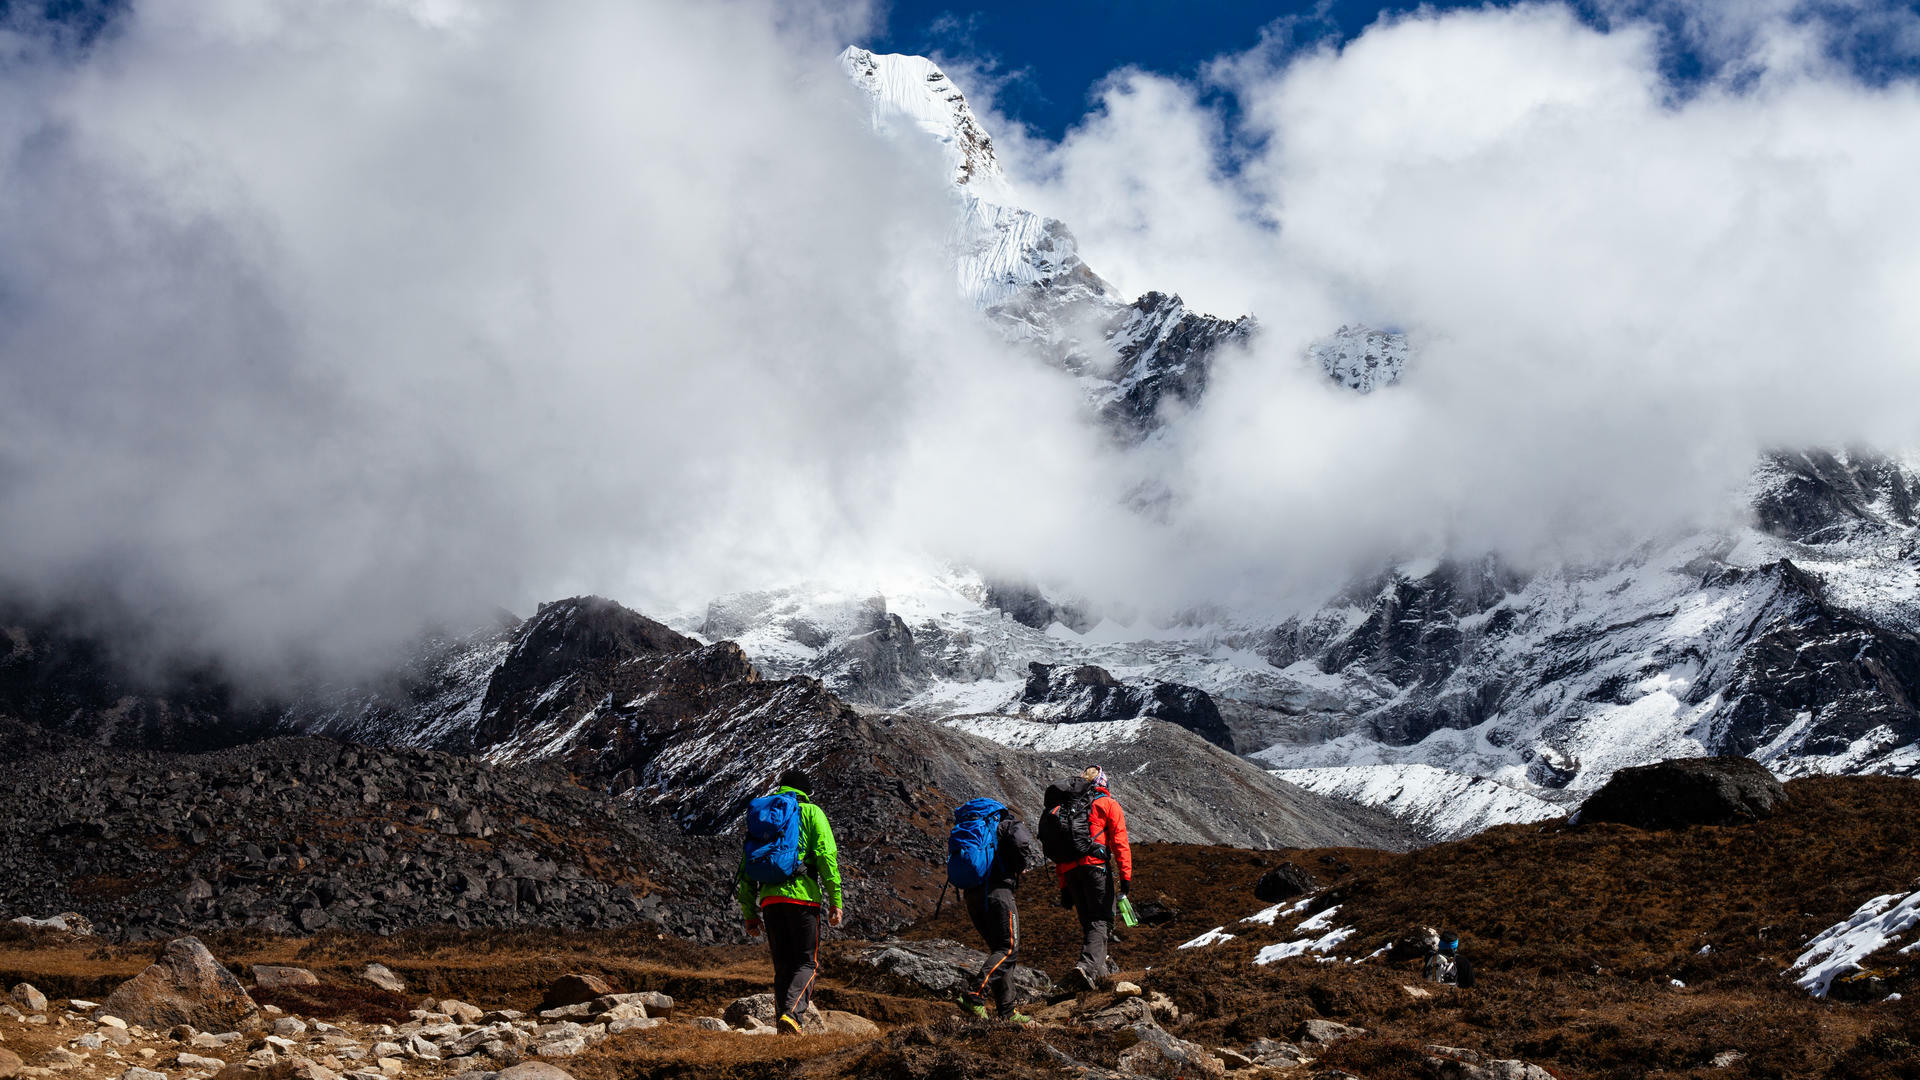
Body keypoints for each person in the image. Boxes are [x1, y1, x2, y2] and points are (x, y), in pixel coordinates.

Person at [737, 768, 844, 1034]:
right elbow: (826, 856)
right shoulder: (811, 812)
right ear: (805, 792)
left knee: (783, 966)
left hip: (770, 901)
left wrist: (750, 913)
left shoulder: (766, 817)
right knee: (807, 963)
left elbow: (746, 868)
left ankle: (784, 1024)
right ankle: (792, 1016)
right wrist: (835, 899)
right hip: (802, 899)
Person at [1040, 765, 1132, 992]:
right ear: (1103, 783)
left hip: (1070, 872)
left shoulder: (1067, 807)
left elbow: (1062, 849)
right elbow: (1120, 843)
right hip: (1095, 868)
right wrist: (1125, 877)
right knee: (1101, 920)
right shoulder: (1107, 804)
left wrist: (1064, 887)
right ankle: (1086, 967)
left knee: (1089, 924)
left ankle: (1100, 979)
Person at [953, 800, 1040, 1023]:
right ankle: (975, 995)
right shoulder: (1006, 823)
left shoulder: (971, 827)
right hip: (998, 892)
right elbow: (1021, 842)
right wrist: (1020, 865)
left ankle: (1007, 1011)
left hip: (972, 895)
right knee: (1009, 949)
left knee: (999, 951)